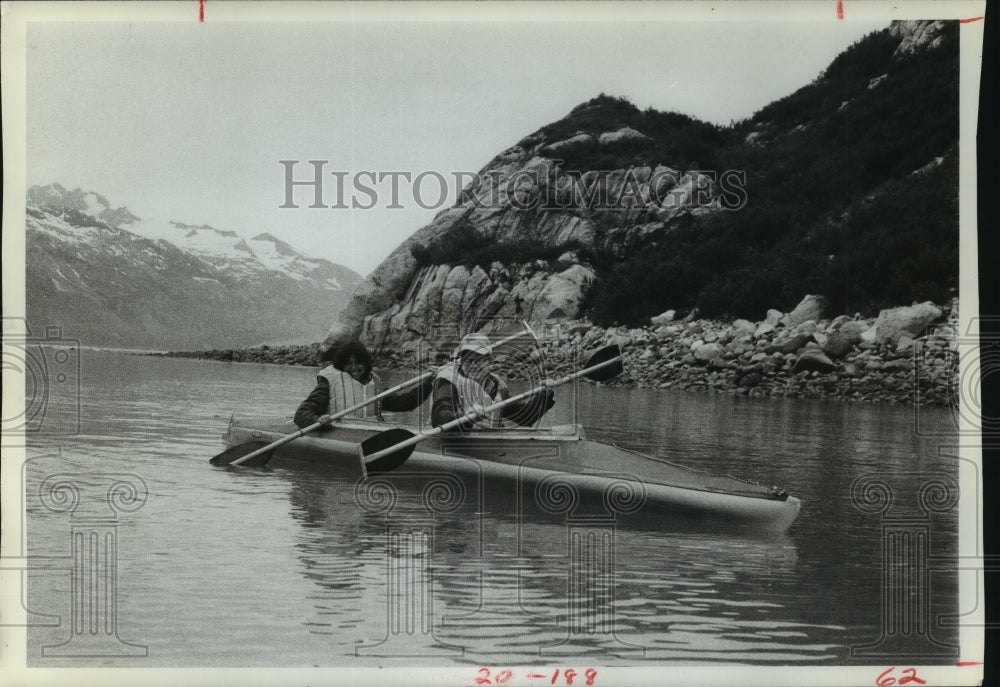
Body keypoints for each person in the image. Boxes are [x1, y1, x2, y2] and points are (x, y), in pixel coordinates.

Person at [294, 339, 432, 428]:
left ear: (366, 363)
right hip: (338, 433)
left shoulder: (375, 383)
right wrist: (317, 420)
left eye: (358, 363)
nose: (354, 368)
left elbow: (404, 403)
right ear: (341, 365)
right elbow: (302, 413)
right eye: (348, 364)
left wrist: (426, 385)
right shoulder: (329, 383)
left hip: (368, 433)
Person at [431, 333, 554, 431]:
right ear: (461, 361)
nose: (474, 365)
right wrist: (465, 418)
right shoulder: (447, 380)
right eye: (469, 360)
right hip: (451, 441)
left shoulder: (495, 385)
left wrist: (544, 395)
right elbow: (440, 418)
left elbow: (525, 418)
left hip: (487, 442)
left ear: (489, 361)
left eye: (479, 360)